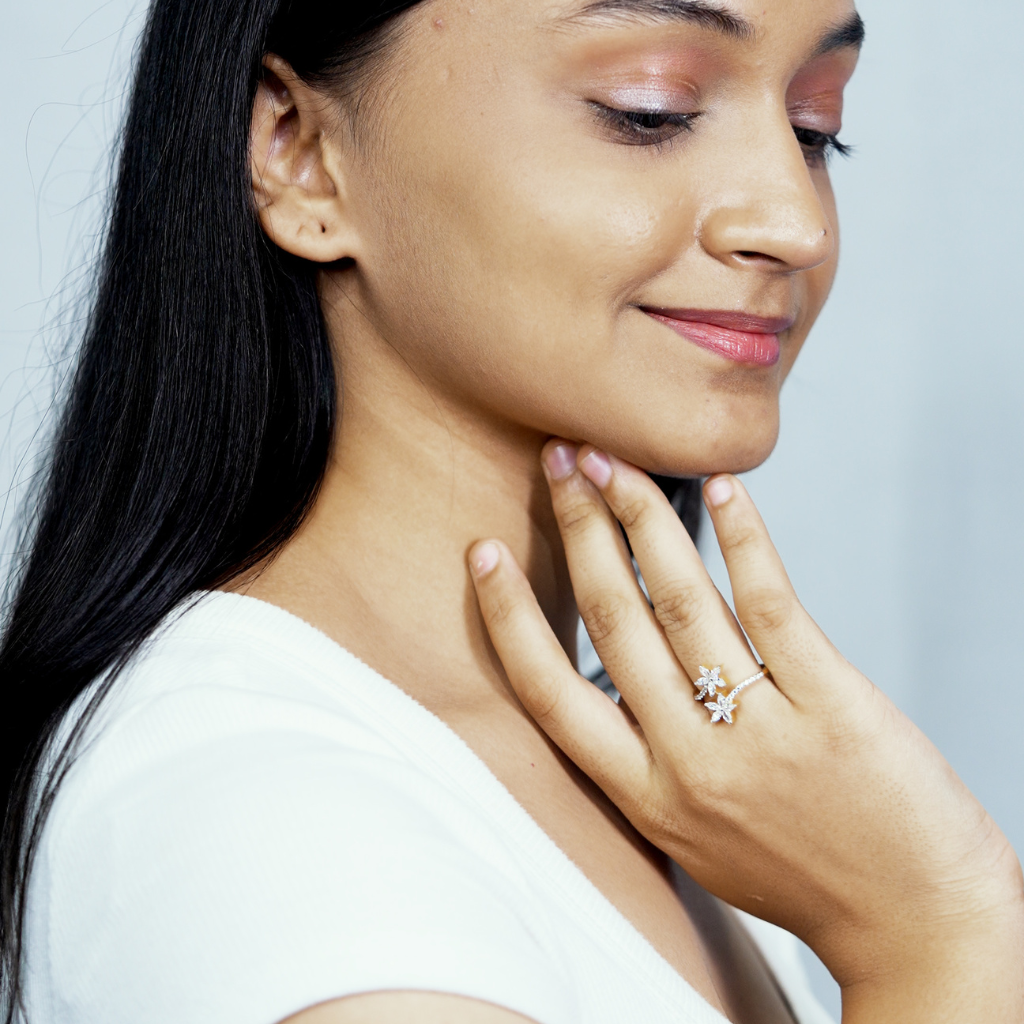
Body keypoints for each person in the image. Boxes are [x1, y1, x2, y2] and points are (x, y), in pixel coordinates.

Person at [1, 0, 1021, 1022]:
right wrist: (931, 939)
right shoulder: (246, 813)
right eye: (649, 110)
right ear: (300, 152)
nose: (794, 223)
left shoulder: (690, 782)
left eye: (813, 127)